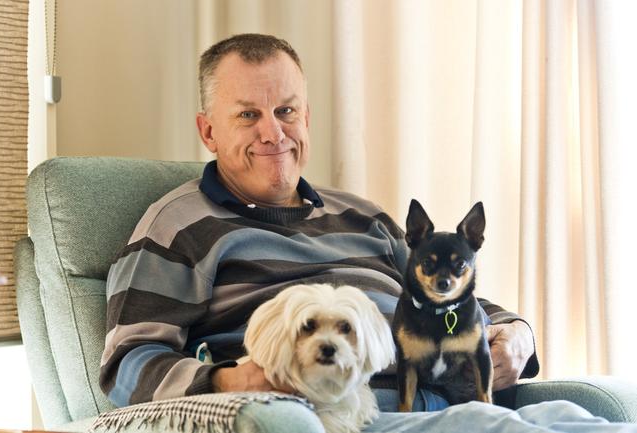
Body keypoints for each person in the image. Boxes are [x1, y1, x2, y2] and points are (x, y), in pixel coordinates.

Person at [100, 34, 635, 432]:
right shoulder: (177, 227)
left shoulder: (364, 217)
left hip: (447, 403)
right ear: (209, 130)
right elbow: (126, 369)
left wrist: (517, 334)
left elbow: (450, 293)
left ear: (306, 117)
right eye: (248, 115)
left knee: (581, 416)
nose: (273, 132)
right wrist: (231, 382)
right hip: (341, 418)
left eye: (286, 111)